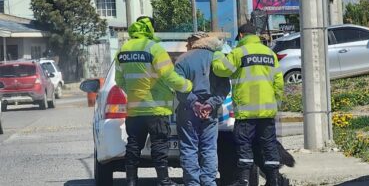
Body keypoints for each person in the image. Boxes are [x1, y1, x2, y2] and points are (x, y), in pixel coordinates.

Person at [115, 16, 193, 186]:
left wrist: (135, 92)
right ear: (150, 29)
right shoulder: (155, 49)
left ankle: (131, 181)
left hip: (135, 110)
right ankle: (163, 181)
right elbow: (169, 76)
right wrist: (186, 86)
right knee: (159, 145)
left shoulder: (123, 50)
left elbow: (119, 80)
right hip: (156, 109)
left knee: (133, 145)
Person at [212, 23, 284, 186]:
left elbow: (221, 69)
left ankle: (244, 180)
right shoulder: (269, 54)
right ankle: (274, 180)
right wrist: (276, 103)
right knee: (269, 144)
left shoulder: (238, 53)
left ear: (242, 36)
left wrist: (216, 54)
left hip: (246, 112)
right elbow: (279, 82)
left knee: (244, 145)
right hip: (267, 110)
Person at [174, 33, 230, 186]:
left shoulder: (182, 60)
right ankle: (208, 182)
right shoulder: (217, 58)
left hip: (188, 110)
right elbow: (224, 87)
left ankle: (192, 183)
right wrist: (210, 104)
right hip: (210, 111)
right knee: (209, 148)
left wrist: (194, 103)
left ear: (193, 43)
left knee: (189, 148)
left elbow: (178, 87)